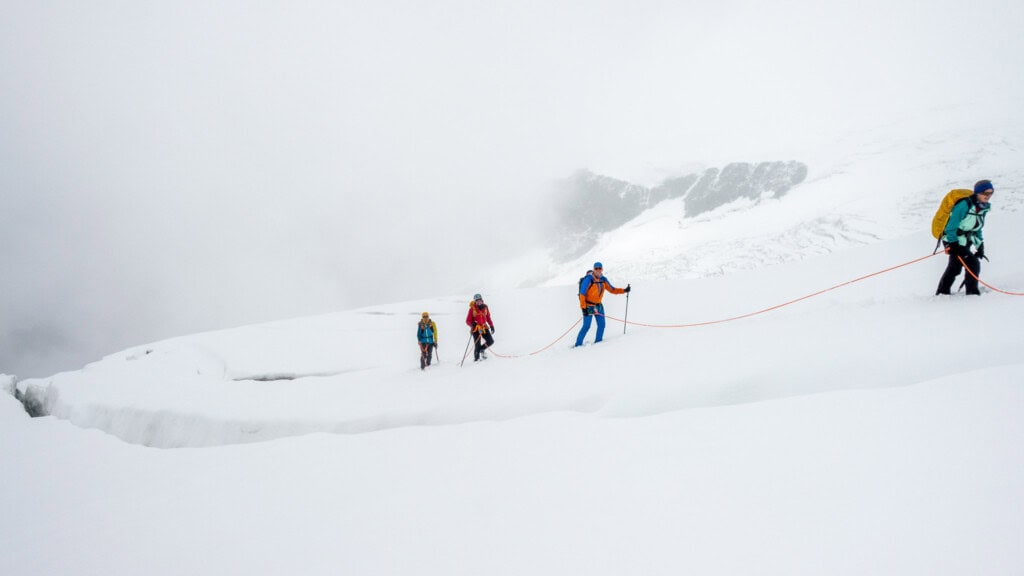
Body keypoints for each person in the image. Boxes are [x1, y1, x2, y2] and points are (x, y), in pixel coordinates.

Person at [936, 179, 993, 296]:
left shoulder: (983, 208)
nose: (988, 196)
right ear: (977, 192)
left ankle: (942, 292)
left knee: (955, 267)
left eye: (991, 193)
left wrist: (980, 246)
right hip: (953, 239)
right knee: (973, 263)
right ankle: (972, 294)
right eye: (985, 193)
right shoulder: (963, 205)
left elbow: (977, 228)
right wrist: (953, 244)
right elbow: (950, 227)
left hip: (966, 240)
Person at [575, 261, 630, 347]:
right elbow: (582, 294)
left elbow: (612, 289)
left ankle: (598, 344)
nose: (598, 270)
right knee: (586, 326)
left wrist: (624, 290)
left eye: (599, 268)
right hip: (588, 306)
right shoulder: (588, 279)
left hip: (598, 306)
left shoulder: (603, 280)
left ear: (602, 269)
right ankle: (578, 345)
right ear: (594, 269)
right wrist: (583, 307)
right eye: (596, 268)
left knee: (602, 325)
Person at [465, 293, 495, 361]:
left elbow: (488, 317)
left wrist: (491, 325)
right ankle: (476, 359)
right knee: (477, 345)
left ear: (482, 300)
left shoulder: (485, 307)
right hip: (476, 329)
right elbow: (467, 321)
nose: (478, 302)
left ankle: (482, 349)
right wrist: (472, 324)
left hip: (484, 327)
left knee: (490, 341)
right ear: (475, 302)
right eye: (477, 301)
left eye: (479, 300)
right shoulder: (472, 309)